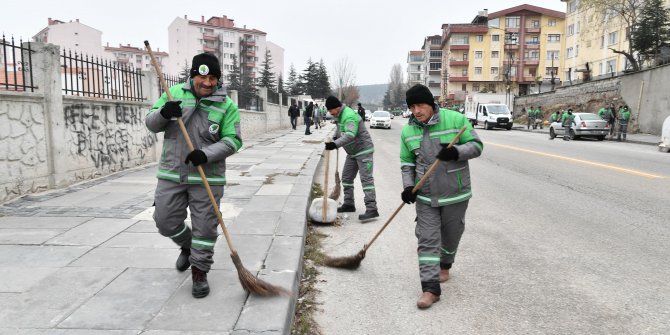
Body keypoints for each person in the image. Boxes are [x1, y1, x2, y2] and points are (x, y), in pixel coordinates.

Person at [145, 53, 242, 298]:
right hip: (171, 173)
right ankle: (187, 245)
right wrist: (164, 114)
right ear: (193, 76)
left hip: (207, 177)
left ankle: (199, 271)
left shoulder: (226, 105)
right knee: (164, 221)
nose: (208, 83)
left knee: (206, 228)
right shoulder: (173, 93)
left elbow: (233, 140)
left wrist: (206, 154)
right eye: (203, 77)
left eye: (213, 78)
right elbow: (151, 123)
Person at [399, 84, 483, 309]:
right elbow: (407, 164)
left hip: (455, 193)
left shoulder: (455, 120)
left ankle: (445, 264)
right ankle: (430, 288)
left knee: (451, 235)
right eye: (412, 107)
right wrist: (408, 187)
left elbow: (476, 146)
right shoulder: (408, 131)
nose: (417, 111)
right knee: (427, 240)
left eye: (421, 105)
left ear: (431, 104)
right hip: (426, 196)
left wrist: (456, 152)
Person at [323, 96, 379, 221]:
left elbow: (350, 135)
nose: (330, 113)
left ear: (336, 108)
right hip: (352, 153)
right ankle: (349, 204)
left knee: (366, 180)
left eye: (330, 110)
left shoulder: (348, 115)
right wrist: (335, 138)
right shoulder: (339, 116)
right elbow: (340, 132)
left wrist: (335, 144)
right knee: (346, 178)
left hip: (364, 151)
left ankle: (372, 209)